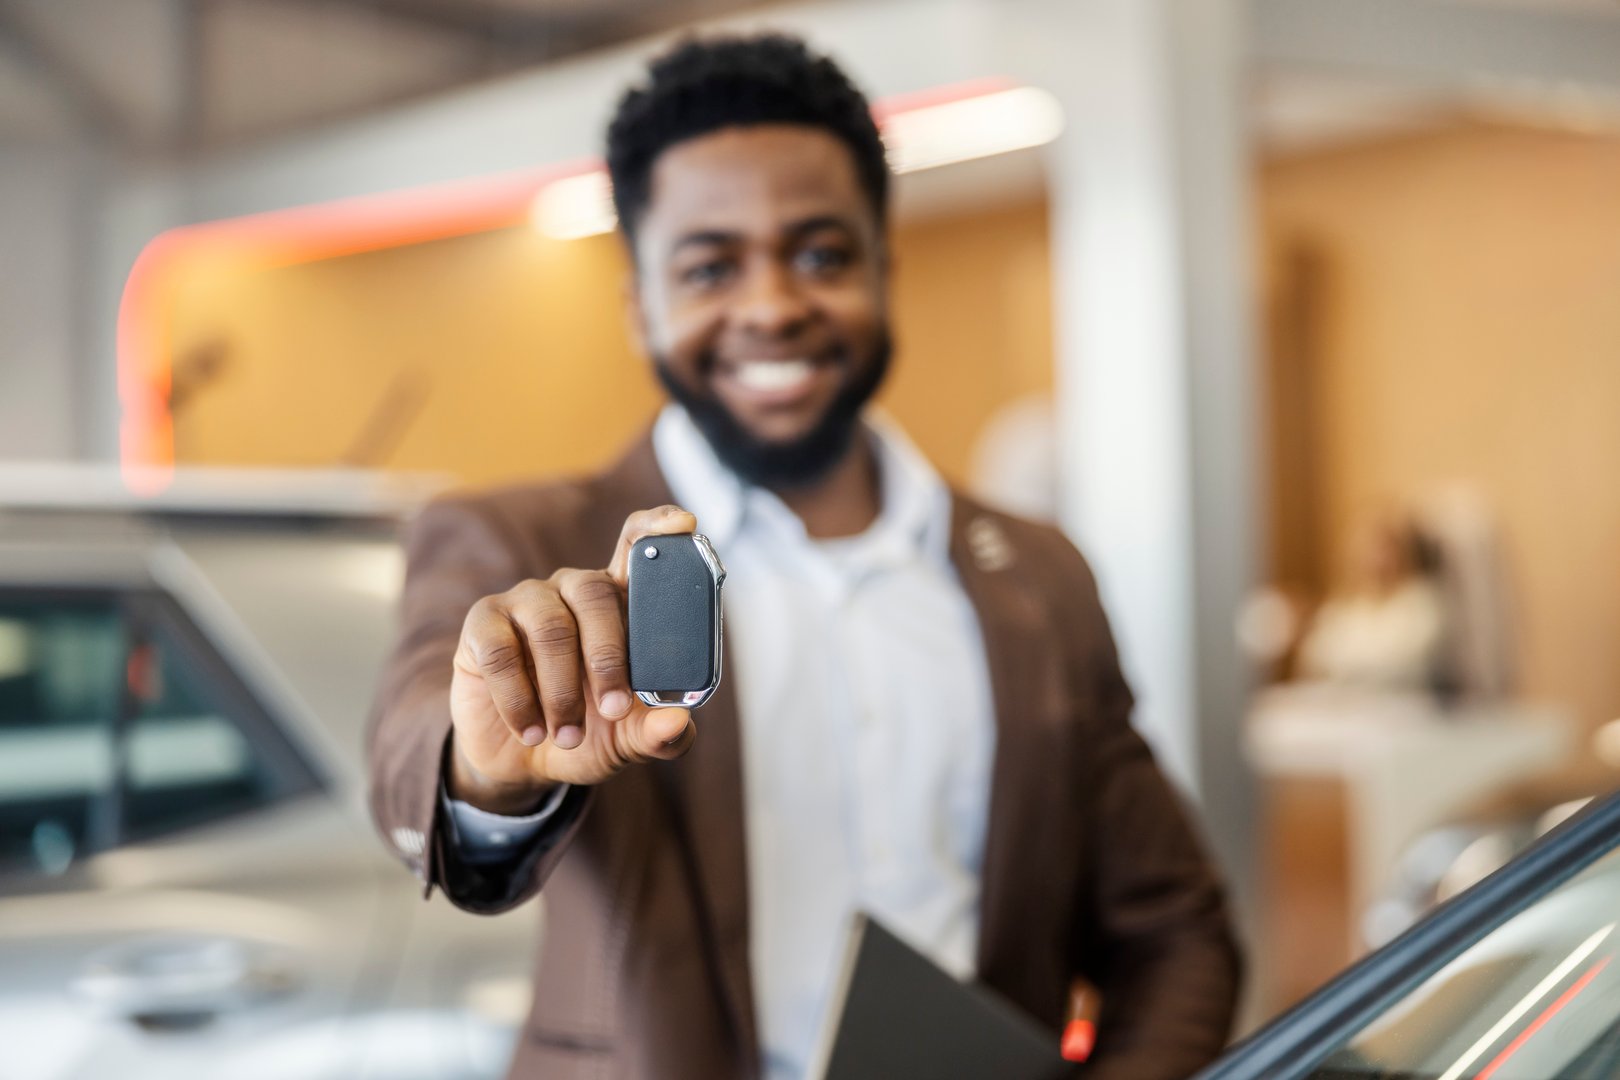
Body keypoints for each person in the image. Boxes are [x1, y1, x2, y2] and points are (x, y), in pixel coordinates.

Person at [367, 33, 1240, 1080]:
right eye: (711, 267)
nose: (775, 305)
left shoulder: (1040, 576)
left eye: (822, 254)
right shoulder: (523, 542)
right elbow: (422, 735)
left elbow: (1177, 931)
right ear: (640, 305)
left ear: (885, 269)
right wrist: (485, 775)